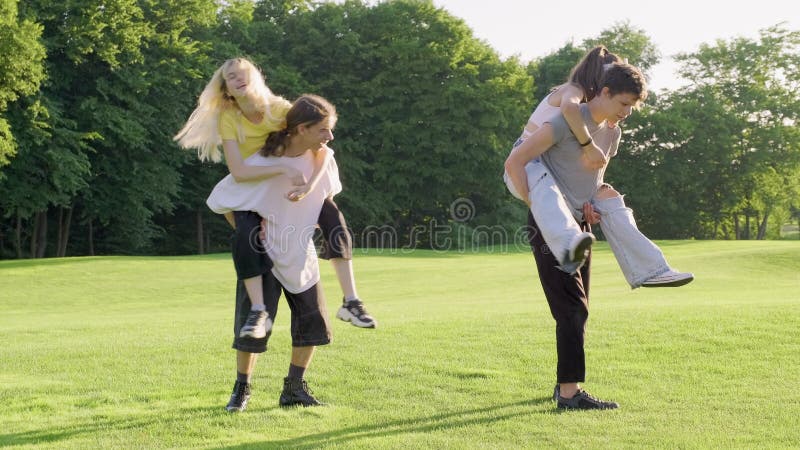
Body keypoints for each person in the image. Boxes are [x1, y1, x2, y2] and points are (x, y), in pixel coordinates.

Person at [175, 58, 376, 333]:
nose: (239, 78)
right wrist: (280, 167)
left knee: (331, 215)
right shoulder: (229, 118)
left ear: (257, 78)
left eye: (244, 73)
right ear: (226, 90)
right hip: (254, 183)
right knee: (245, 233)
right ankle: (259, 311)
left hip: (285, 181)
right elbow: (239, 172)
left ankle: (351, 300)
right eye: (231, 77)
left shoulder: (280, 109)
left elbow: (321, 149)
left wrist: (309, 188)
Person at [505, 62, 651, 410]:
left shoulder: (611, 133)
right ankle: (569, 395)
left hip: (579, 226)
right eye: (623, 103)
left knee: (579, 308)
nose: (627, 112)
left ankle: (565, 388)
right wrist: (534, 202)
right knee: (571, 309)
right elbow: (515, 161)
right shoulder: (563, 122)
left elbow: (593, 181)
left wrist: (590, 206)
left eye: (632, 106)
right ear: (604, 92)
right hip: (552, 226)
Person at [504, 46, 693, 288]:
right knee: (542, 184)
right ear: (601, 83)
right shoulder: (573, 93)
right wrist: (588, 144)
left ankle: (653, 269)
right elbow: (567, 113)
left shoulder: (606, 126)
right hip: (527, 162)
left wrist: (589, 204)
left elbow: (594, 171)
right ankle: (569, 244)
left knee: (609, 196)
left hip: (555, 172)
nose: (627, 112)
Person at [206, 94, 341, 411]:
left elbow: (325, 198)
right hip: (264, 260)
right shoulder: (263, 162)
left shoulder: (323, 160)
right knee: (252, 327)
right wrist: (247, 232)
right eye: (323, 129)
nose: (329, 137)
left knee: (313, 323)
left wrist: (313, 220)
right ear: (302, 129)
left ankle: (294, 388)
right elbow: (223, 199)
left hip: (300, 255)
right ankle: (241, 390)